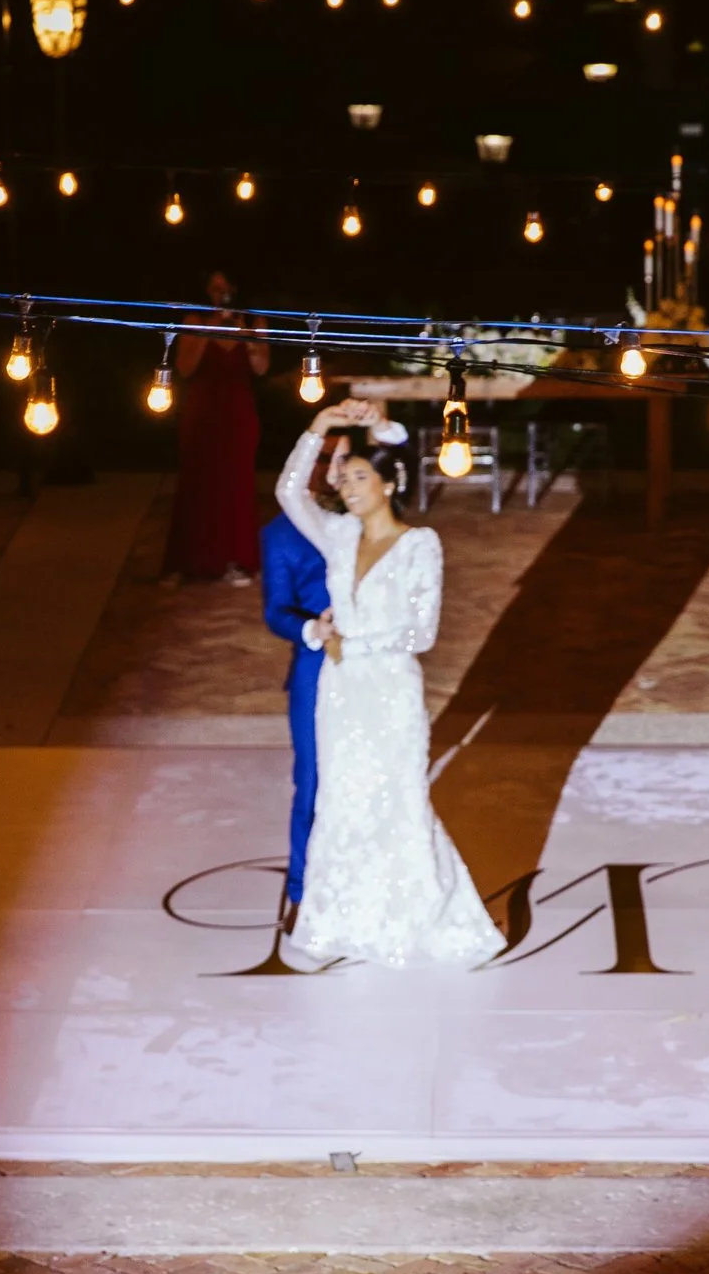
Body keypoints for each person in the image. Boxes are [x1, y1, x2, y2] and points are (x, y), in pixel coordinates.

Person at [272, 401, 501, 969]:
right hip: (340, 691)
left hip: (391, 691)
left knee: (398, 802)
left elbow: (420, 633)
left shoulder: (421, 544)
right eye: (343, 477)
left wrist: (354, 642)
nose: (346, 487)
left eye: (358, 476)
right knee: (341, 803)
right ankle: (331, 928)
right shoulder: (339, 535)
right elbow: (287, 493)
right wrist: (320, 427)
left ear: (389, 481)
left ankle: (437, 923)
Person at [260, 429, 349, 924]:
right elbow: (275, 611)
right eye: (325, 459)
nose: (332, 471)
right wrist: (313, 627)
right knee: (313, 781)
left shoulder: (368, 521)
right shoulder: (280, 533)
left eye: (342, 460)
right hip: (317, 666)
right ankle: (302, 891)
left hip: (373, 668)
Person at [164, 271, 271, 585]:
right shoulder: (194, 320)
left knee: (236, 483)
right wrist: (208, 331)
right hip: (203, 410)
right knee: (198, 481)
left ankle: (236, 561)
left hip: (238, 411)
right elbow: (184, 368)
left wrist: (245, 337)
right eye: (214, 288)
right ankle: (187, 562)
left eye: (226, 288)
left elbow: (261, 368)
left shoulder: (254, 322)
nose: (220, 294)